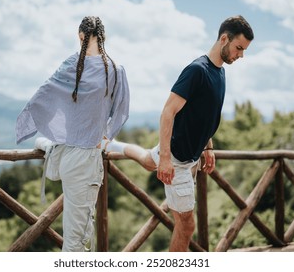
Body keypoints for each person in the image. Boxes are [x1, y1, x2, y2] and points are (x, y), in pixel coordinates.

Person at [104, 15, 254, 251]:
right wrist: (165, 158)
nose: (241, 55)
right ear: (224, 38)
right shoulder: (197, 70)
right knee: (186, 226)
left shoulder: (220, 73)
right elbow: (167, 112)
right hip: (177, 158)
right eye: (238, 48)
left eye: (243, 50)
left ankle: (110, 144)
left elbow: (206, 117)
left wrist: (208, 147)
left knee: (146, 159)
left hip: (190, 155)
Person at [15, 16, 130, 252]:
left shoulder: (70, 64)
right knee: (76, 241)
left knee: (73, 235)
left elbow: (43, 96)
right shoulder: (115, 71)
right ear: (103, 37)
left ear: (80, 36)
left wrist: (36, 127)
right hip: (86, 162)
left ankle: (46, 144)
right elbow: (121, 111)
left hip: (65, 157)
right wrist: (104, 136)